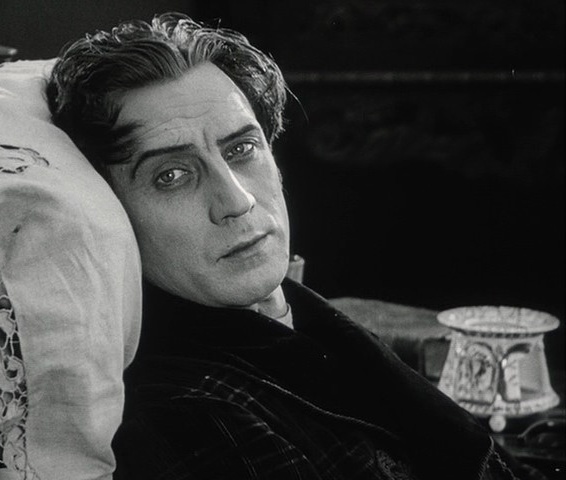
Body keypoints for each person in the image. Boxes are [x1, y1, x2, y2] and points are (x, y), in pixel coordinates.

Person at [46, 12, 545, 480]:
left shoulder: (308, 321)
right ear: (110, 212)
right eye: (172, 175)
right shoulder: (187, 418)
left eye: (242, 149)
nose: (237, 202)